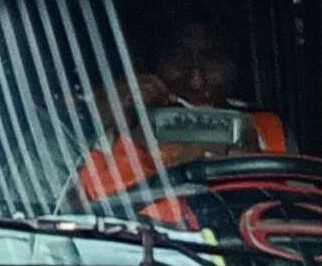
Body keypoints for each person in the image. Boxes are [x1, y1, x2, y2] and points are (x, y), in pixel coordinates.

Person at [72, 12, 289, 205]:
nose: (196, 80)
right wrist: (138, 145)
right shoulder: (122, 124)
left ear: (233, 61)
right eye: (177, 58)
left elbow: (296, 206)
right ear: (150, 63)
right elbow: (90, 206)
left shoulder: (270, 128)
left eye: (211, 58)